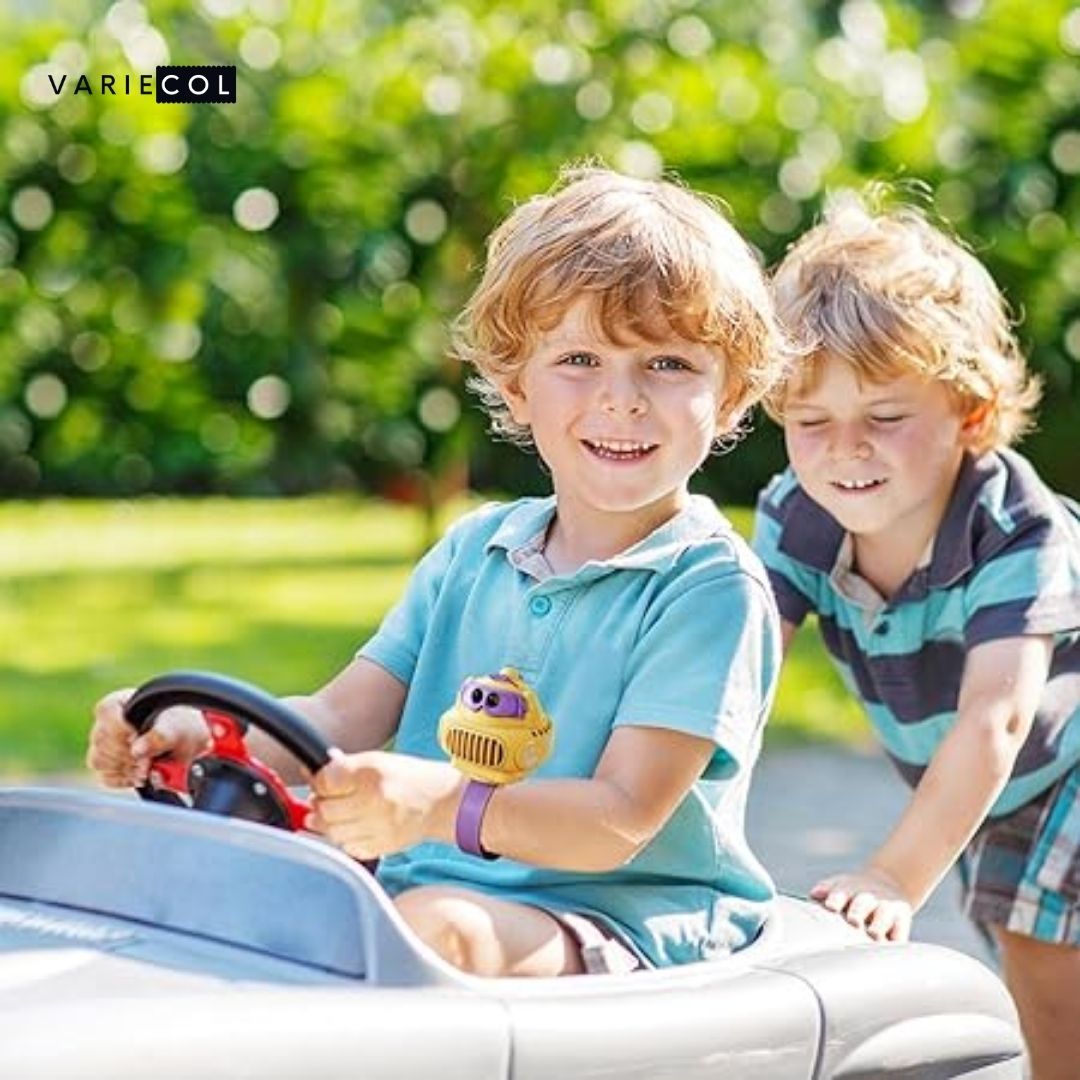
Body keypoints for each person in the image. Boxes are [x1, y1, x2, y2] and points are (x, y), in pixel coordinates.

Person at [87, 165, 791, 978]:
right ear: (512, 384)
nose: (623, 399)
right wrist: (199, 737)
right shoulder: (473, 551)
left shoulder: (704, 586)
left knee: (440, 931)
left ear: (733, 394)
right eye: (580, 360)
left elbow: (621, 818)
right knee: (215, 896)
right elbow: (336, 717)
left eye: (667, 364)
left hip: (615, 914)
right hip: (425, 891)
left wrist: (435, 805)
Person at [752, 192, 1080, 1078]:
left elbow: (995, 723)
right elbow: (742, 674)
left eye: (885, 418)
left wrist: (894, 877)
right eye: (810, 422)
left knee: (1043, 967)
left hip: (1063, 767)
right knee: (1025, 952)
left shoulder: (1015, 530)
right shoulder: (797, 518)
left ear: (970, 417)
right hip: (991, 791)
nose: (845, 449)